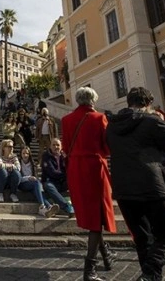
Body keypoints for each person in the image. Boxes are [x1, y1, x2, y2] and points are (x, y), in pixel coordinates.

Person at [106, 87, 165, 281]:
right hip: (151, 185)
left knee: (142, 239)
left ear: (128, 102)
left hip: (123, 187)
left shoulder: (112, 125)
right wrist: (160, 122)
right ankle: (150, 271)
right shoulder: (151, 121)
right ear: (148, 103)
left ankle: (150, 277)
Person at [62, 87, 118, 281]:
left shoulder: (66, 120)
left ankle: (107, 255)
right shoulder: (99, 118)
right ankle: (90, 270)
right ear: (92, 100)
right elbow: (107, 147)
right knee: (98, 216)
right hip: (94, 167)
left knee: (92, 216)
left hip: (76, 169)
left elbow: (66, 146)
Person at [18, 146, 59, 218]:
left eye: (27, 153)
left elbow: (35, 177)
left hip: (32, 184)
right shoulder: (18, 163)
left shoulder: (32, 164)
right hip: (22, 184)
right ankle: (44, 206)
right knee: (36, 184)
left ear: (29, 154)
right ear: (21, 154)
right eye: (23, 153)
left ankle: (47, 209)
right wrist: (29, 178)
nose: (25, 155)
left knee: (37, 188)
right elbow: (18, 178)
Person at [41, 139, 75, 217]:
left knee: (74, 179)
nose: (56, 147)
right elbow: (52, 173)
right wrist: (66, 174)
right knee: (48, 186)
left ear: (61, 146)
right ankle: (67, 207)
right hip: (51, 182)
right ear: (50, 146)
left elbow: (71, 169)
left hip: (62, 182)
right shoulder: (46, 156)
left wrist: (67, 159)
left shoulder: (64, 156)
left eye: (58, 145)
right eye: (54, 145)